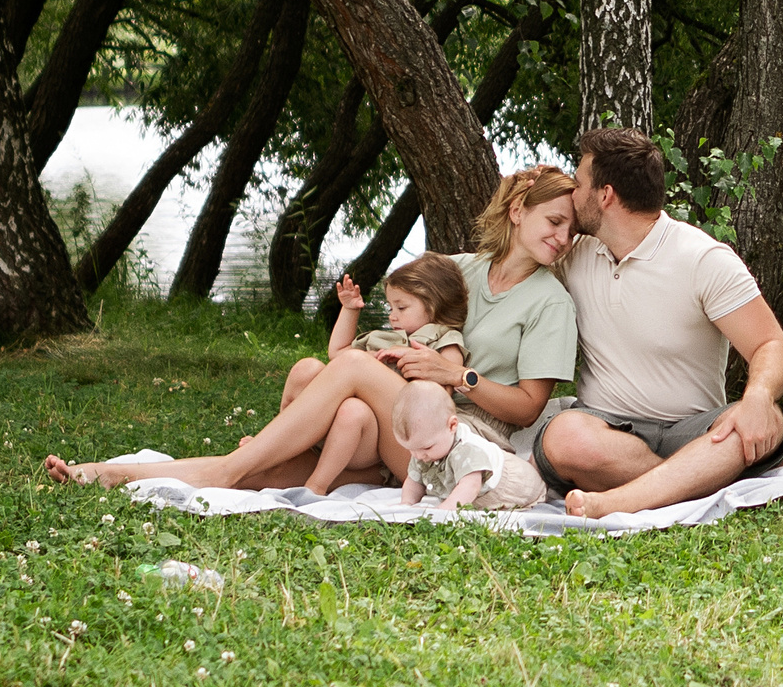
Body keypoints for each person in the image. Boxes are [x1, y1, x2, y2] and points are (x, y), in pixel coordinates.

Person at [44, 167, 580, 490]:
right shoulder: (457, 269)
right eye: (553, 221)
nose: (561, 237)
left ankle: (231, 469)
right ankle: (115, 474)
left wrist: (457, 376)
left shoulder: (551, 303)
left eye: (570, 229)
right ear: (516, 210)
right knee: (316, 393)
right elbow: (398, 326)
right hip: (403, 427)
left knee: (342, 368)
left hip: (462, 441)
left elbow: (529, 407)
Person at [538, 127, 783, 517]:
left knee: (766, 420)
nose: (572, 194)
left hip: (693, 432)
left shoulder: (702, 259)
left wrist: (758, 398)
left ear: (604, 195)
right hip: (608, 434)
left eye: (578, 183)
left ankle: (616, 502)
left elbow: (771, 345)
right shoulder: (574, 254)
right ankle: (704, 481)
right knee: (564, 437)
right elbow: (513, 251)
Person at [302, 253, 470, 496]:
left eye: (401, 307)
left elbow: (442, 398)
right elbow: (338, 352)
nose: (392, 315)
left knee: (352, 411)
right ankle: (282, 445)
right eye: (391, 307)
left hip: (374, 432)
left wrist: (410, 362)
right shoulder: (383, 337)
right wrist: (350, 310)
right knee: (305, 369)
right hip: (338, 418)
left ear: (435, 304)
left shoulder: (443, 339)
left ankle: (316, 485)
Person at [393, 382, 545, 511]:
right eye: (411, 449)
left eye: (426, 448)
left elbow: (470, 487)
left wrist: (445, 512)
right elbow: (414, 481)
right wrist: (406, 504)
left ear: (452, 426)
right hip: (480, 494)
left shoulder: (467, 449)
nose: (418, 456)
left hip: (515, 487)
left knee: (516, 505)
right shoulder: (424, 448)